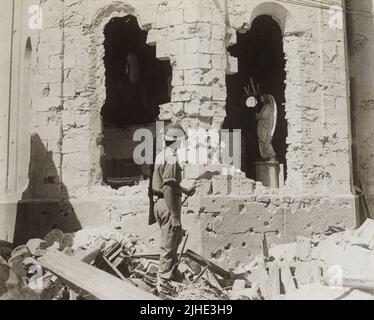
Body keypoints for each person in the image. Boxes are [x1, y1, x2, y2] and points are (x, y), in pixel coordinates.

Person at [152, 123, 197, 293]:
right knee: (169, 245)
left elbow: (166, 183)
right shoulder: (171, 158)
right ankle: (163, 284)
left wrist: (184, 189)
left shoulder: (161, 155)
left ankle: (170, 274)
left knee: (175, 239)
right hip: (168, 204)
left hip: (161, 203)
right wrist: (175, 216)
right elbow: (168, 186)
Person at [256, 94, 278, 161]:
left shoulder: (268, 107)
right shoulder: (264, 106)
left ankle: (272, 155)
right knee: (262, 142)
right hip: (262, 127)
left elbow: (264, 116)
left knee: (266, 142)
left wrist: (258, 115)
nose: (261, 100)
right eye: (261, 99)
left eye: (262, 98)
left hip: (265, 129)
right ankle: (265, 156)